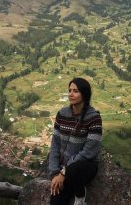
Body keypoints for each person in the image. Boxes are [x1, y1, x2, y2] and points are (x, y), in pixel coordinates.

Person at [48, 77, 102, 205]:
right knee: (55, 202)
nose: (70, 94)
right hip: (63, 170)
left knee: (73, 170)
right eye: (69, 90)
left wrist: (63, 173)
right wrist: (55, 173)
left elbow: (89, 152)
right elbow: (55, 144)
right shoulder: (62, 114)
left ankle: (80, 198)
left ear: (84, 94)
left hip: (84, 167)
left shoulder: (93, 118)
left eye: (75, 91)